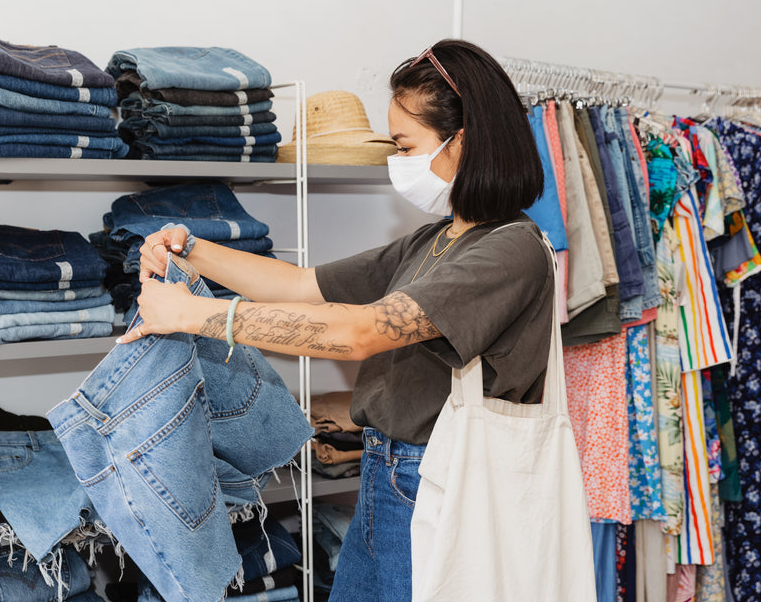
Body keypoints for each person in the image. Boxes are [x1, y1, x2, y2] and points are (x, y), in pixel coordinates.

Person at [120, 39, 554, 602]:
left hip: (440, 481)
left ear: (464, 142)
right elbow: (303, 285)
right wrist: (191, 248)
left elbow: (360, 332)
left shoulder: (510, 251)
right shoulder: (436, 239)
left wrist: (195, 313)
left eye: (406, 146)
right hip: (386, 471)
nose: (398, 162)